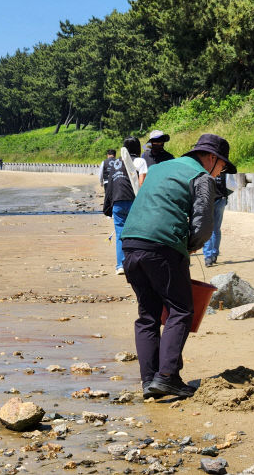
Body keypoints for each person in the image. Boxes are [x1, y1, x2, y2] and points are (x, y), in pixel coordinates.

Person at [120, 133, 236, 400]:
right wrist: (191, 245)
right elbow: (204, 223)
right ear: (211, 158)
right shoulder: (201, 177)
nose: (221, 172)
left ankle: (149, 380)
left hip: (130, 243)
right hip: (162, 246)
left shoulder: (160, 168)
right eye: (223, 167)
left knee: (148, 315)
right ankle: (167, 377)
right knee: (181, 310)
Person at [106, 138, 147, 275]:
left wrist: (108, 206)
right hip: (133, 202)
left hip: (117, 202)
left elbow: (110, 186)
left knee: (120, 234)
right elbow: (142, 183)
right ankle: (136, 263)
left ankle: (120, 265)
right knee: (137, 234)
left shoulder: (116, 163)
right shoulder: (140, 162)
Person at [203, 172, 232, 266]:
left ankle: (208, 257)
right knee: (216, 229)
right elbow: (233, 186)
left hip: (207, 201)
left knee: (207, 228)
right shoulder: (225, 171)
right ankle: (214, 254)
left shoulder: (204, 169)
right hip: (221, 200)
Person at [99, 149, 117, 217]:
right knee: (115, 197)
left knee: (107, 197)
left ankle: (109, 214)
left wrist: (101, 181)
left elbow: (100, 173)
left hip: (106, 182)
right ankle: (114, 212)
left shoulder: (104, 162)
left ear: (108, 155)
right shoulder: (117, 161)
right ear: (115, 155)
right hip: (115, 181)